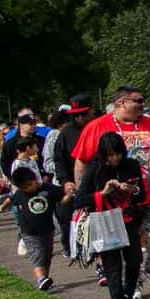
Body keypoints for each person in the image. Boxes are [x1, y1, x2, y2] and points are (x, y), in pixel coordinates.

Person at [72, 86, 150, 294]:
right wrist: (86, 196)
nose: (143, 104)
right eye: (138, 100)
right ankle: (133, 282)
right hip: (116, 201)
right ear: (121, 103)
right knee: (126, 245)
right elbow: (81, 161)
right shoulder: (97, 126)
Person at [75, 131, 148, 299]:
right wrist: (102, 193)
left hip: (129, 221)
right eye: (110, 155)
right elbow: (79, 200)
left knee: (134, 261)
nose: (114, 158)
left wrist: (133, 190)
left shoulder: (131, 165)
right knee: (113, 269)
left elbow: (141, 195)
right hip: (106, 224)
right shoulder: (95, 170)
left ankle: (128, 294)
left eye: (117, 154)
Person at [52, 95, 95, 258]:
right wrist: (65, 180)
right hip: (73, 183)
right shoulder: (66, 133)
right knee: (66, 217)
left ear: (91, 110)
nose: (79, 118)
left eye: (83, 114)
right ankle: (70, 247)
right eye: (75, 115)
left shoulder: (100, 126)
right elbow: (59, 159)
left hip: (97, 182)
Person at [8, 166, 64, 291]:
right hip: (29, 231)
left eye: (29, 184)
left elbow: (61, 194)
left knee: (47, 255)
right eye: (24, 187)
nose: (28, 188)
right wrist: (2, 207)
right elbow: (11, 200)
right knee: (37, 253)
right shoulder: (21, 194)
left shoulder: (47, 188)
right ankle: (41, 279)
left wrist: (69, 194)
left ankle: (45, 279)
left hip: (47, 229)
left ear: (34, 179)